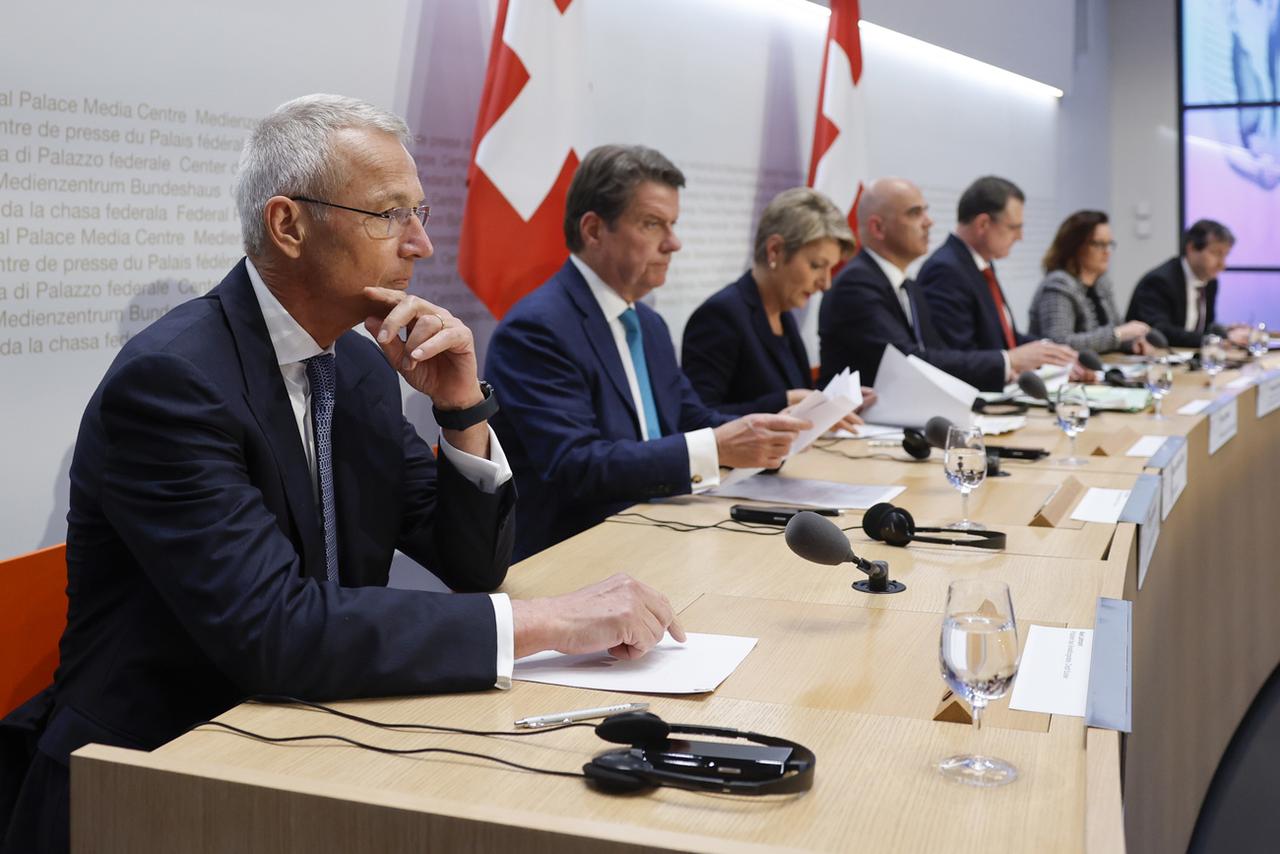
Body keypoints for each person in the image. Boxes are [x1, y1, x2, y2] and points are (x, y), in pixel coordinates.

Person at [0, 96, 685, 854]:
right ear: (288, 226)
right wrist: (549, 622)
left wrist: (462, 411)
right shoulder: (172, 382)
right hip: (151, 779)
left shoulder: (354, 364)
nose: (421, 244)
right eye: (390, 214)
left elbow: (470, 564)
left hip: (305, 740)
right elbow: (276, 628)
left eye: (419, 211)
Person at [486, 145, 809, 560]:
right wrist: (717, 447)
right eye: (653, 224)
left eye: (672, 224)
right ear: (594, 230)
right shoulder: (537, 329)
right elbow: (575, 464)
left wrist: (771, 433)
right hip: (573, 554)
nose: (673, 243)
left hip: (658, 534)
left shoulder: (650, 326)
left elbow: (692, 420)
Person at [818, 178, 1075, 391]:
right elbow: (911, 363)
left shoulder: (906, 284)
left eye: (926, 211)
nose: (929, 222)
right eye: (915, 213)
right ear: (877, 227)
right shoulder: (857, 284)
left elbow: (937, 352)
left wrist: (1034, 359)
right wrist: (1008, 362)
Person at [681, 187, 873, 418]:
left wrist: (831, 404)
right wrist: (785, 401)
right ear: (775, 251)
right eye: (816, 266)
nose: (826, 284)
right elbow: (698, 418)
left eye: (830, 269)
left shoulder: (783, 314)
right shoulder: (720, 316)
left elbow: (794, 396)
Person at [917, 176, 1075, 375]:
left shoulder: (981, 263)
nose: (1020, 237)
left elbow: (1003, 338)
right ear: (983, 224)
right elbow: (955, 357)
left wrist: (1052, 353)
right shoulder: (945, 270)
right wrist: (1012, 361)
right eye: (1013, 227)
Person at [1029, 211, 1151, 354]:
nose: (1107, 252)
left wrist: (1131, 343)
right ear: (1075, 246)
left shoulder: (1101, 284)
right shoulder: (1058, 284)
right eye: (1099, 244)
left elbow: (1112, 335)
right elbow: (1059, 343)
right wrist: (1118, 334)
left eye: (1109, 244)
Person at [1126, 219, 1248, 348]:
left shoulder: (1210, 282)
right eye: (1216, 254)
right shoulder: (1160, 281)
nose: (1222, 264)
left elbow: (1204, 328)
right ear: (1191, 248)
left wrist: (1226, 332)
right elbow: (1161, 332)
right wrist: (1213, 341)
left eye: (1225, 255)